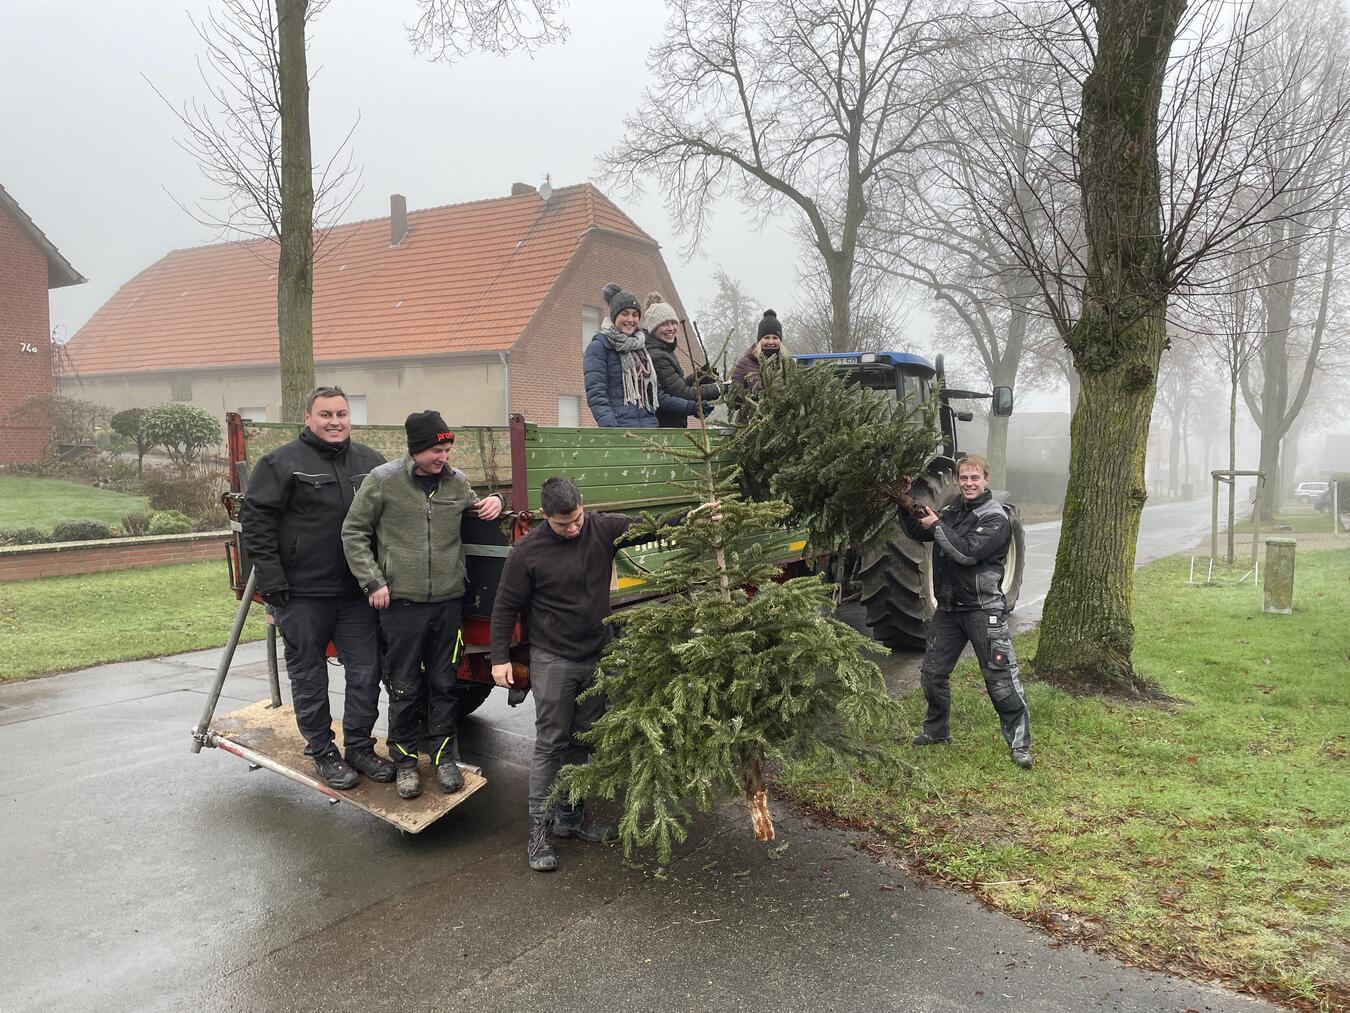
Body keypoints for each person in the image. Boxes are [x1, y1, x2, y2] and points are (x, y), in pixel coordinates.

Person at [489, 476, 716, 871]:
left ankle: (572, 818)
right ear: (546, 516)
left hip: (596, 653)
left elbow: (650, 527)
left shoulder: (602, 528)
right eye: (564, 524)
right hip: (554, 659)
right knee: (551, 743)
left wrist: (691, 519)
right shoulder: (527, 553)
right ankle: (539, 831)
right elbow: (504, 607)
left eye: (577, 519)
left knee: (583, 740)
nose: (574, 528)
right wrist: (498, 658)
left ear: (582, 506)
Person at [342, 410, 505, 800]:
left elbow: (479, 506)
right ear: (415, 448)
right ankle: (404, 762)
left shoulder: (457, 482)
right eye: (436, 449)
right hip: (402, 607)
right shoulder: (382, 482)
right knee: (403, 687)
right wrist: (372, 581)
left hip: (448, 605)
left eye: (447, 448)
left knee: (444, 684)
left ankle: (445, 758)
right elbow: (353, 533)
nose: (443, 456)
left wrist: (496, 500)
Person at [242, 386, 390, 789]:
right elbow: (257, 526)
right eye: (326, 414)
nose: (335, 421)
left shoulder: (371, 463)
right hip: (302, 594)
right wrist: (273, 585)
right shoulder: (280, 463)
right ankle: (323, 751)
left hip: (357, 593)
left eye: (341, 414)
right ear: (307, 417)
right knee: (309, 677)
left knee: (365, 672)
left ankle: (359, 747)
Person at [898, 454, 1032, 769]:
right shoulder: (952, 511)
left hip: (982, 610)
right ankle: (936, 732)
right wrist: (902, 500)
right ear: (958, 481)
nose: (969, 484)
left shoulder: (995, 517)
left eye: (975, 478)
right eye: (964, 478)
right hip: (949, 610)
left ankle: (1020, 745)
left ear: (985, 480)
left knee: (1000, 679)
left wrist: (938, 525)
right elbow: (920, 532)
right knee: (932, 674)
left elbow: (966, 553)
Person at [583, 289, 696, 428]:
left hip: (649, 431)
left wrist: (691, 407)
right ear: (614, 316)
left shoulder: (641, 349)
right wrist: (611, 430)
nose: (630, 320)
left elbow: (656, 396)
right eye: (625, 314)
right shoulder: (599, 347)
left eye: (635, 315)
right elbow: (596, 394)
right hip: (621, 431)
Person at [642, 292, 721, 428]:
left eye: (673, 323)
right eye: (664, 324)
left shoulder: (664, 350)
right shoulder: (656, 355)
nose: (671, 328)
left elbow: (673, 386)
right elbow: (681, 393)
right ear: (653, 328)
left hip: (671, 424)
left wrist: (700, 376)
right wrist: (717, 389)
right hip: (664, 426)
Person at [730, 309, 790, 392]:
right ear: (759, 340)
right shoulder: (745, 363)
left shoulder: (787, 364)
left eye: (775, 338)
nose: (771, 342)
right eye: (766, 338)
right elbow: (733, 395)